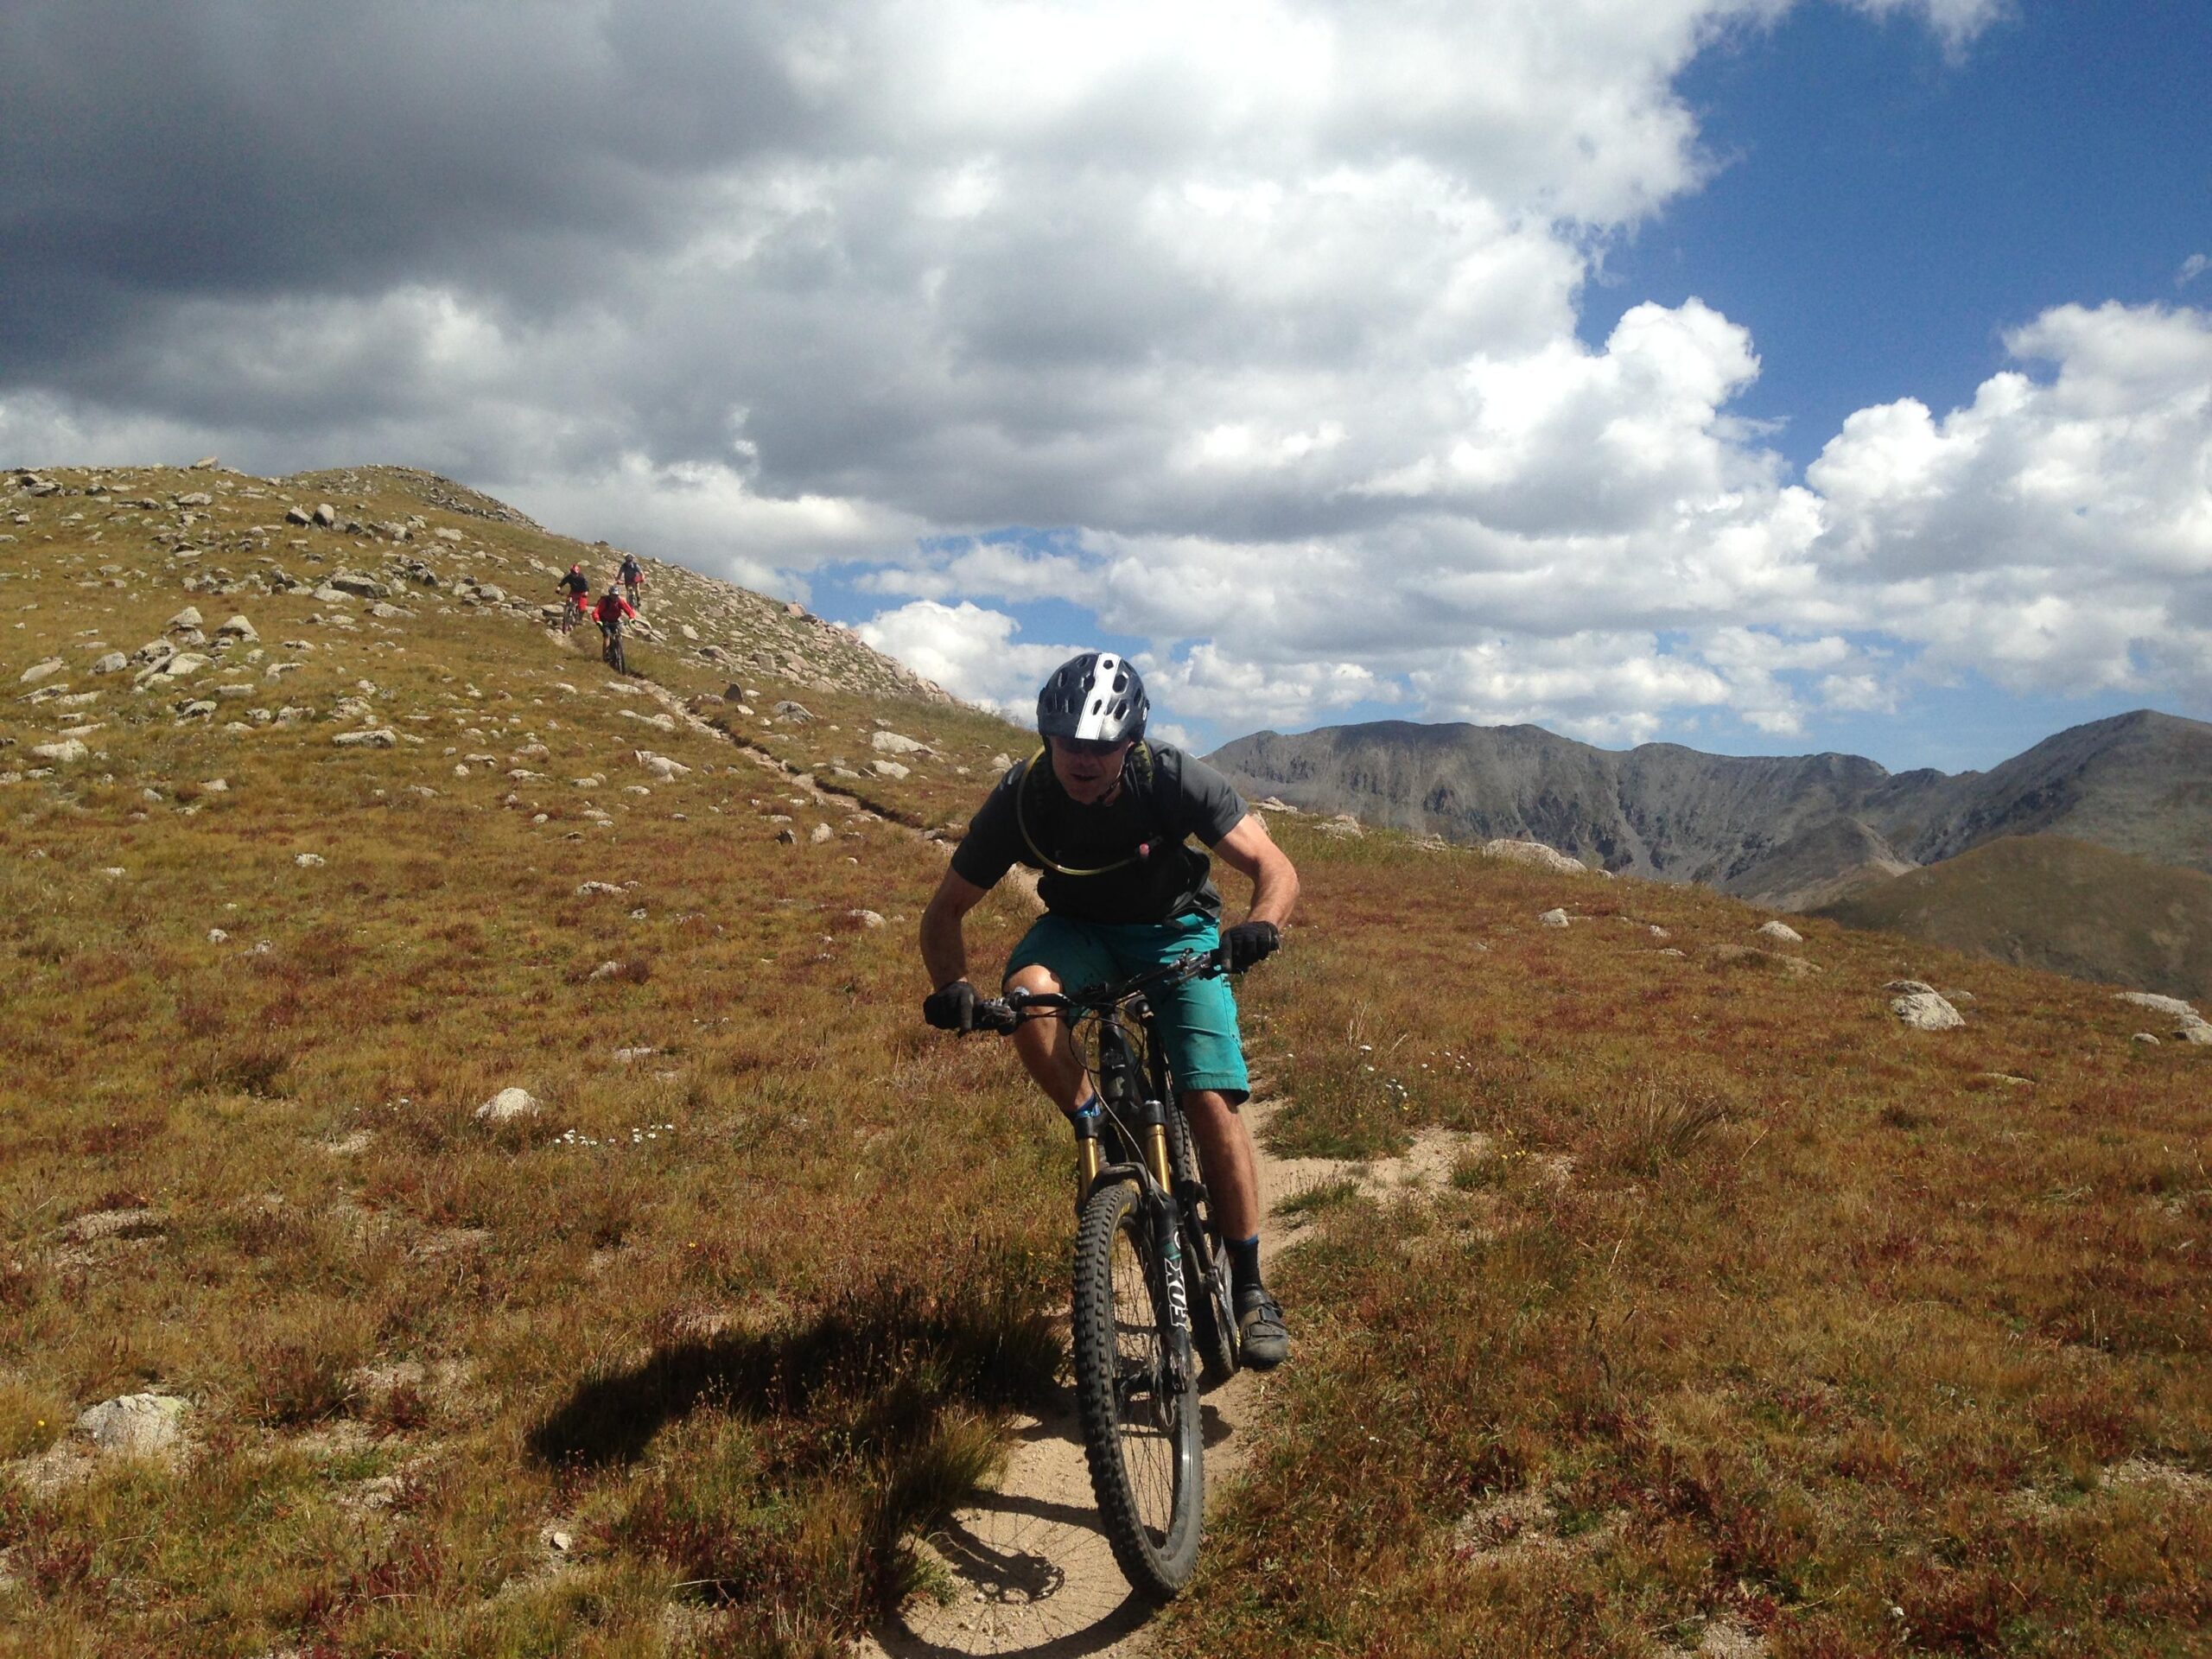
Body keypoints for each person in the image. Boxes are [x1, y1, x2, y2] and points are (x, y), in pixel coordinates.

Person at [918, 652, 1299, 1369]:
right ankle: (1095, 1118)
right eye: (1069, 744)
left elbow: (1273, 866)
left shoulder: (1174, 779)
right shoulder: (1023, 798)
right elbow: (944, 912)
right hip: (1081, 933)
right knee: (1029, 996)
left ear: (1132, 742)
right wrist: (952, 984)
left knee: (1210, 1099)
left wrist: (1262, 924)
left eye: (1101, 747)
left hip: (1175, 929)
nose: (1084, 760)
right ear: (1047, 737)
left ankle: (1250, 1287)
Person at [593, 584, 637, 662]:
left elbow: (629, 610)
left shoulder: (620, 601)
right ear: (610, 594)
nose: (615, 597)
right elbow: (596, 612)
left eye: (616, 595)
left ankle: (619, 649)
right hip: (604, 621)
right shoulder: (604, 601)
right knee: (607, 635)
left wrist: (632, 618)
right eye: (613, 595)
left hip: (615, 621)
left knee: (618, 633)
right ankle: (606, 655)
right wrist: (598, 620)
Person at [555, 563, 590, 627]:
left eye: (575, 573)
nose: (574, 575)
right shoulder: (569, 577)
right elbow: (563, 582)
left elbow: (586, 585)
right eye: (572, 573)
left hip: (582, 593)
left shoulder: (582, 577)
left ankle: (579, 619)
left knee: (582, 607)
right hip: (573, 592)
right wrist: (559, 588)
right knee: (568, 601)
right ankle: (567, 615)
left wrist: (586, 592)